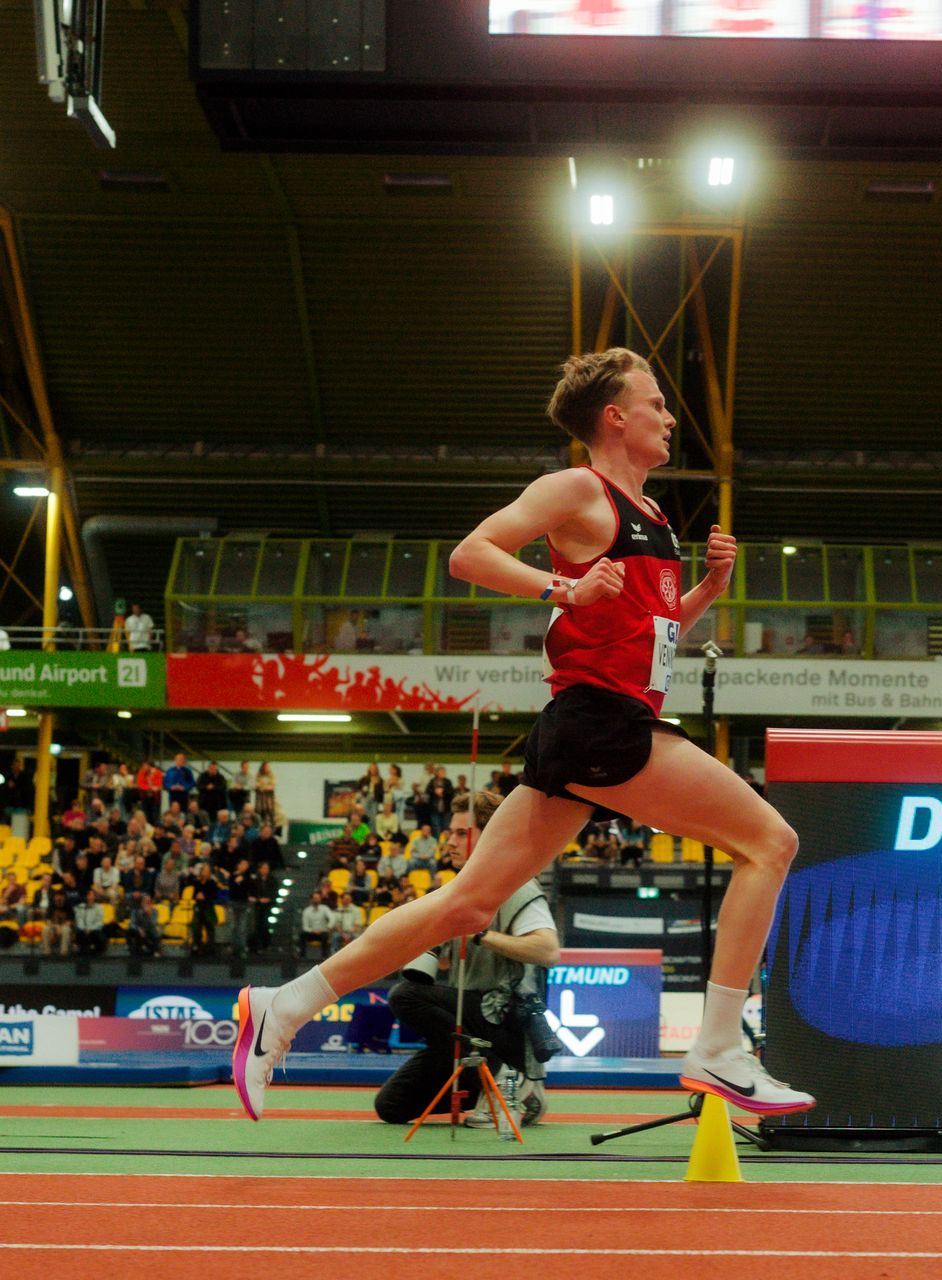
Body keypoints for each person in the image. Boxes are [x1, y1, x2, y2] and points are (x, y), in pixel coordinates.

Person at [233, 346, 812, 1120]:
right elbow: (471, 554)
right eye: (656, 404)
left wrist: (709, 587)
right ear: (615, 417)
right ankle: (718, 1047)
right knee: (770, 842)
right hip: (602, 722)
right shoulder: (578, 489)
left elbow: (652, 633)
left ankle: (285, 1005)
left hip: (594, 725)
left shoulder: (651, 518)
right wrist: (562, 588)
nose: (670, 418)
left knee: (468, 906)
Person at [373, 791, 558, 1128]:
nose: (450, 842)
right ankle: (515, 1093)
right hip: (470, 1027)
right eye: (450, 833)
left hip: (502, 1019)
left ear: (492, 835)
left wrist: (479, 934)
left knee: (405, 996)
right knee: (392, 1106)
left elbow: (547, 951)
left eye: (462, 833)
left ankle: (506, 1080)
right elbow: (440, 967)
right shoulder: (459, 890)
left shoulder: (516, 885)